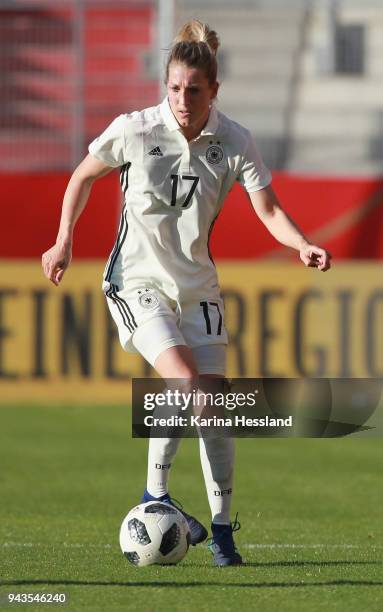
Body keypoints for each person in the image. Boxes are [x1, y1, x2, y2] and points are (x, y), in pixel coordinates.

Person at [42, 19, 331, 567]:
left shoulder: (236, 140)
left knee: (214, 410)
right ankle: (157, 494)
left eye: (193, 90)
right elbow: (80, 178)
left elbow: (267, 209)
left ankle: (222, 529)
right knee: (185, 382)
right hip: (137, 282)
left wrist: (301, 244)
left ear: (214, 91)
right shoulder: (135, 129)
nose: (181, 98)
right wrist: (63, 243)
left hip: (198, 285)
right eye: (173, 87)